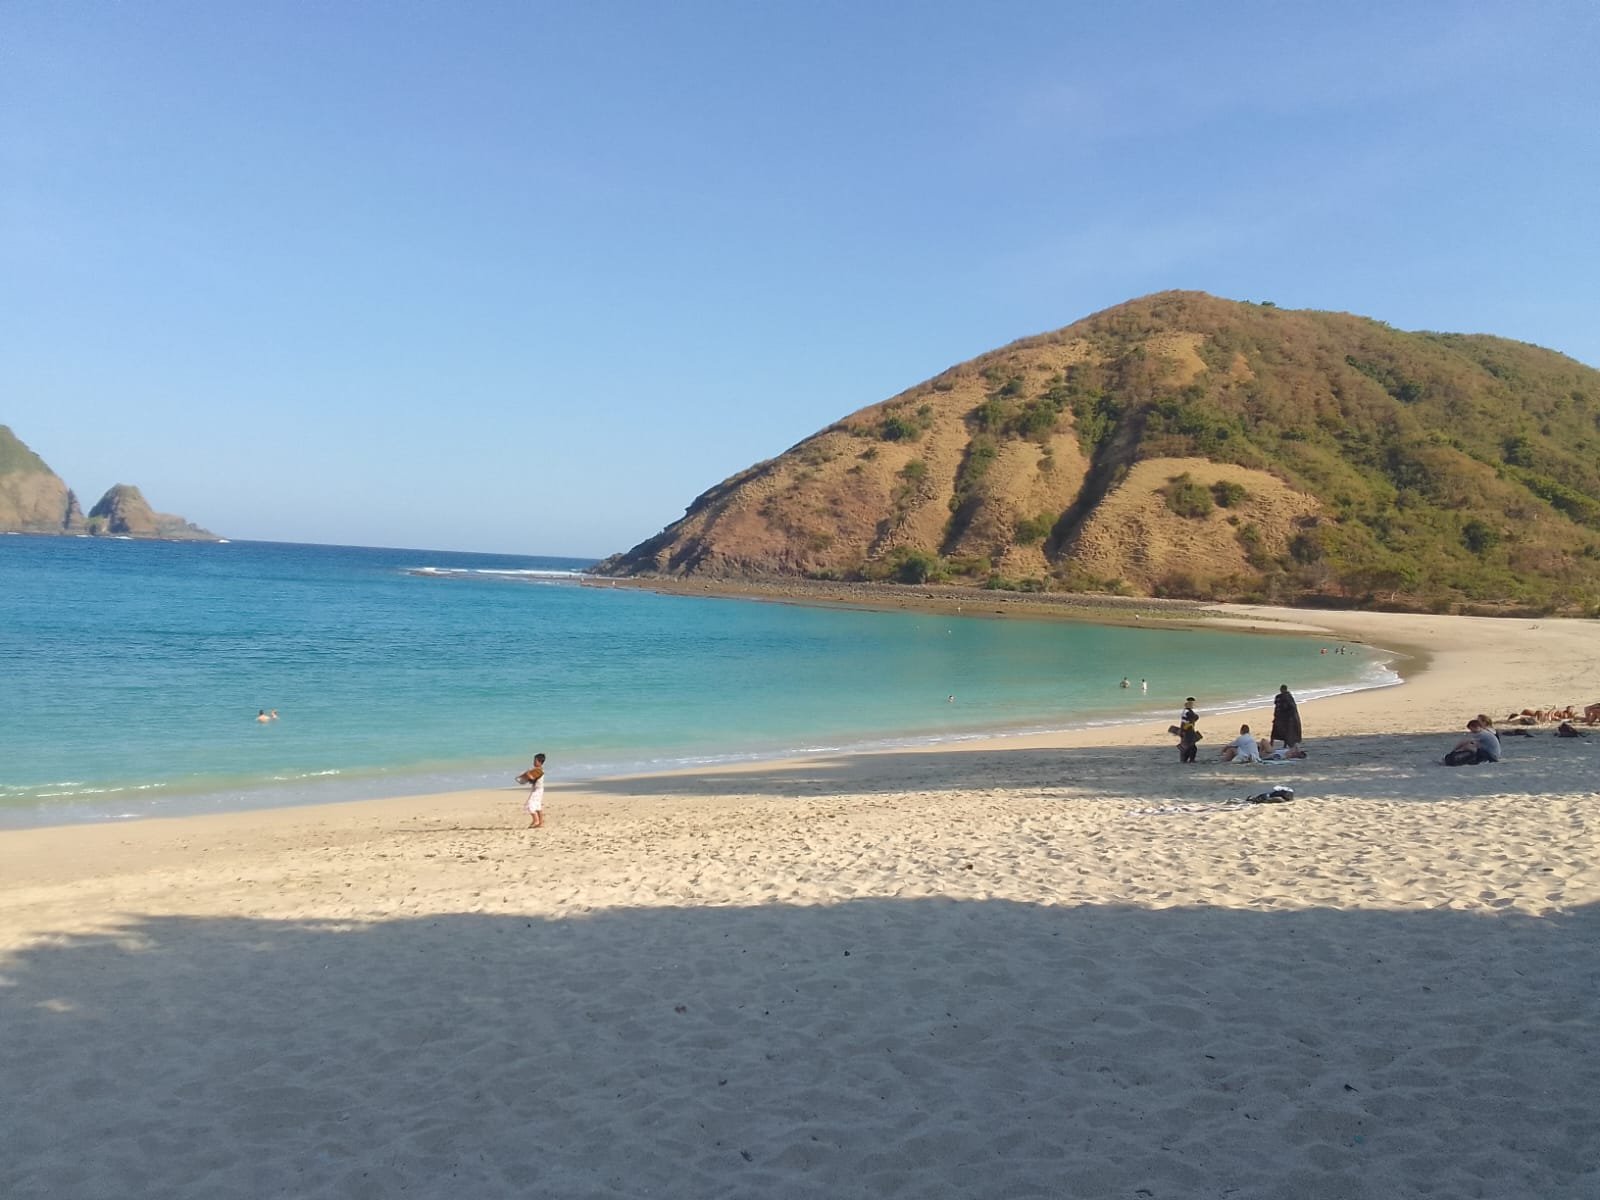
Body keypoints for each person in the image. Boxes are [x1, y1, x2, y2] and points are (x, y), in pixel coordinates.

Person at [517, 752, 547, 828]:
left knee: (529, 805)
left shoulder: (539, 770)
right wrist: (524, 776)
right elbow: (531, 780)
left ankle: (536, 820)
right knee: (537, 806)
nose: (533, 762)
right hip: (538, 789)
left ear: (540, 762)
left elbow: (532, 778)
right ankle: (541, 822)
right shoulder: (537, 770)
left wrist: (527, 774)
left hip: (537, 790)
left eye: (535, 761)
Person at [1270, 685, 1302, 749]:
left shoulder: (1285, 697)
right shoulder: (1284, 697)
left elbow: (1290, 707)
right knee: (1278, 732)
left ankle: (1276, 745)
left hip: (1284, 718)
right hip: (1282, 718)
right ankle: (1272, 744)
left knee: (1284, 733)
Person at [1177, 698, 1201, 764]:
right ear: (1186, 704)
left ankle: (1188, 760)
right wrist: (1182, 731)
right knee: (1190, 747)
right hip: (1187, 731)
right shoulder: (1187, 712)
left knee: (1190, 746)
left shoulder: (1189, 711)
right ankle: (1189, 760)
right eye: (1190, 703)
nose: (1192, 704)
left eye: (1192, 703)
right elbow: (1184, 722)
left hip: (1189, 730)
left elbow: (1193, 719)